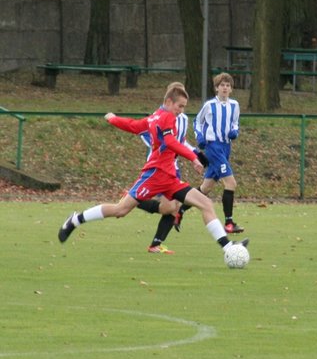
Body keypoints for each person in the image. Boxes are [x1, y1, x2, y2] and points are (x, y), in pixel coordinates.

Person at [57, 83, 248, 254]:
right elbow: (170, 141)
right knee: (120, 210)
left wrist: (113, 119)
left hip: (170, 178)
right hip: (154, 175)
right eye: (180, 106)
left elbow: (133, 125)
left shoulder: (155, 117)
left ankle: (228, 247)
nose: (181, 111)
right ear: (169, 102)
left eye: (183, 107)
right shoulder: (166, 117)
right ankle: (75, 219)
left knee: (204, 203)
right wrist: (193, 158)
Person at [135, 82, 209, 254]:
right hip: (158, 165)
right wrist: (160, 146)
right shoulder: (158, 116)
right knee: (170, 207)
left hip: (173, 166)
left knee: (173, 207)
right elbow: (148, 135)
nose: (181, 108)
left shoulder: (183, 119)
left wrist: (196, 153)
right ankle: (133, 201)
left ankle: (156, 243)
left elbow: (180, 141)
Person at [178, 72, 243, 234]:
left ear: (231, 89)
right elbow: (197, 122)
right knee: (231, 183)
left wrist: (235, 131)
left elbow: (235, 122)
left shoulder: (234, 105)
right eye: (222, 85)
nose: (225, 88)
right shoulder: (209, 105)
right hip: (213, 147)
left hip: (226, 147)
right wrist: (200, 136)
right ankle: (229, 223)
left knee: (206, 188)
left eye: (228, 85)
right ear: (216, 88)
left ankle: (179, 211)